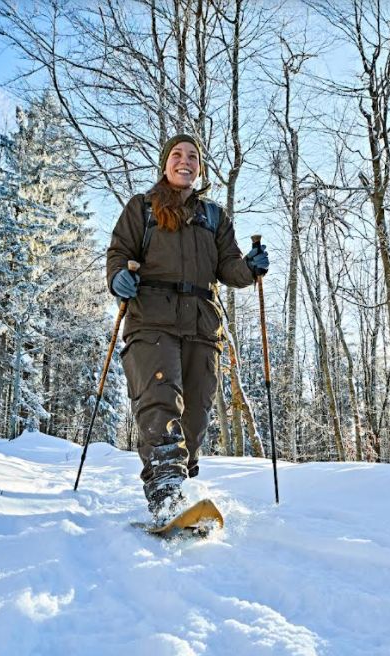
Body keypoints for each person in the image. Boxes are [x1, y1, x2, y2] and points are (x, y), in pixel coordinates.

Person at [105, 134, 268, 524]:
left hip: (201, 324)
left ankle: (184, 491)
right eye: (177, 155)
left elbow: (228, 267)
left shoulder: (213, 216)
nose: (185, 161)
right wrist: (117, 278)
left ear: (200, 168)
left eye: (192, 156)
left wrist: (250, 267)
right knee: (161, 401)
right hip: (151, 320)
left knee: (195, 418)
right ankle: (166, 492)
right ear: (165, 164)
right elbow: (118, 253)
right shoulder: (141, 208)